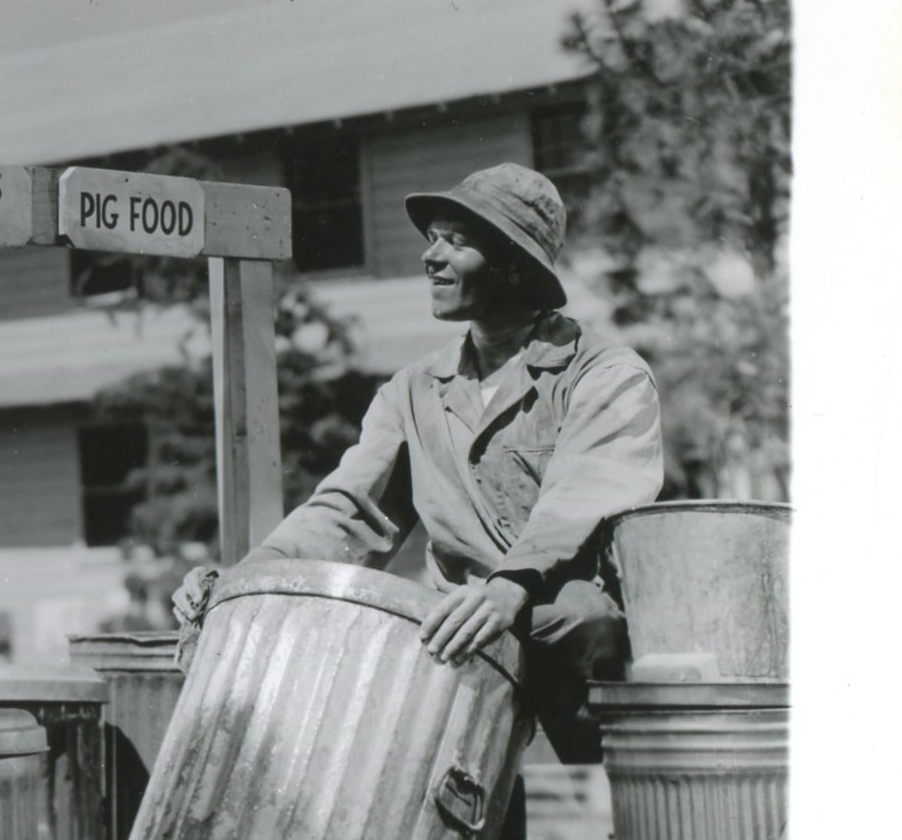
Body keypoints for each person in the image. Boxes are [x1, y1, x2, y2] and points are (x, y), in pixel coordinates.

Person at [173, 163, 657, 763]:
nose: (431, 257)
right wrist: (248, 578)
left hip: (580, 649)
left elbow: (582, 494)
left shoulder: (606, 375)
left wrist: (510, 588)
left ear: (514, 263)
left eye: (457, 240)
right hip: (460, 641)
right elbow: (348, 509)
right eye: (433, 238)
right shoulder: (413, 391)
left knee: (585, 631)